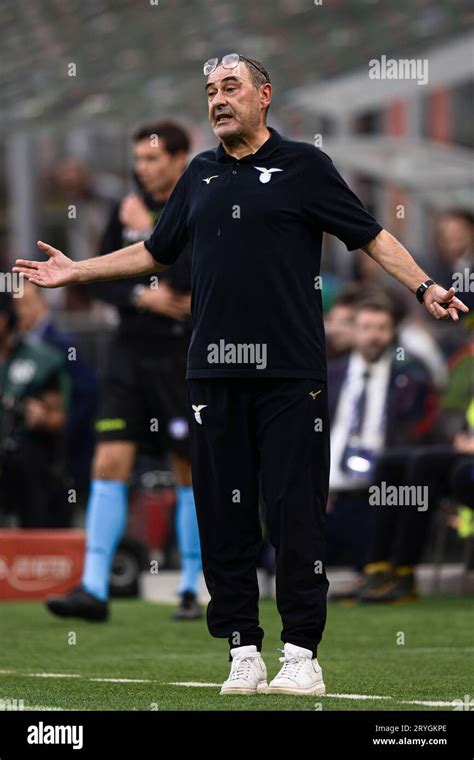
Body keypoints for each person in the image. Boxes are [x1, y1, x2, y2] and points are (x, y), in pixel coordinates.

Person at [13, 53, 469, 696]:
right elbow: (154, 250)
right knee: (223, 518)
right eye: (209, 91)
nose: (218, 99)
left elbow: (369, 236)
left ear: (264, 96)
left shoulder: (305, 167)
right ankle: (241, 648)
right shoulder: (198, 175)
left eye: (231, 88)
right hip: (211, 377)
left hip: (290, 376)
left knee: (294, 514)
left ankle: (302, 653)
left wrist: (424, 286)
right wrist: (76, 271)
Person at [44, 120, 202, 622]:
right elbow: (101, 278)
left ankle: (192, 587)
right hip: (130, 354)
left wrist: (144, 234)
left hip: (183, 357)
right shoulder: (127, 206)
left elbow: (190, 279)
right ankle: (94, 588)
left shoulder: (203, 198)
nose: (143, 168)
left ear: (180, 158)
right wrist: (142, 294)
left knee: (188, 468)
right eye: (138, 159)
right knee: (108, 461)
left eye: (153, 158)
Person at [326, 296, 435, 575]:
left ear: (392, 331)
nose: (374, 336)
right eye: (366, 328)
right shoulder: (328, 375)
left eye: (382, 328)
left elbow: (418, 435)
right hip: (327, 493)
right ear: (352, 331)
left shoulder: (411, 379)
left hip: (379, 492)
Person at [16, 280, 98, 509]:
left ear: (41, 304)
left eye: (25, 303)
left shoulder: (61, 345)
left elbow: (87, 394)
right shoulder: (18, 345)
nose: (19, 311)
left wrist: (62, 428)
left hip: (61, 452)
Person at [0, 292, 70, 528]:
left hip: (25, 457)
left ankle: (36, 550)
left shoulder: (41, 359)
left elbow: (60, 418)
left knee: (27, 461)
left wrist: (41, 417)